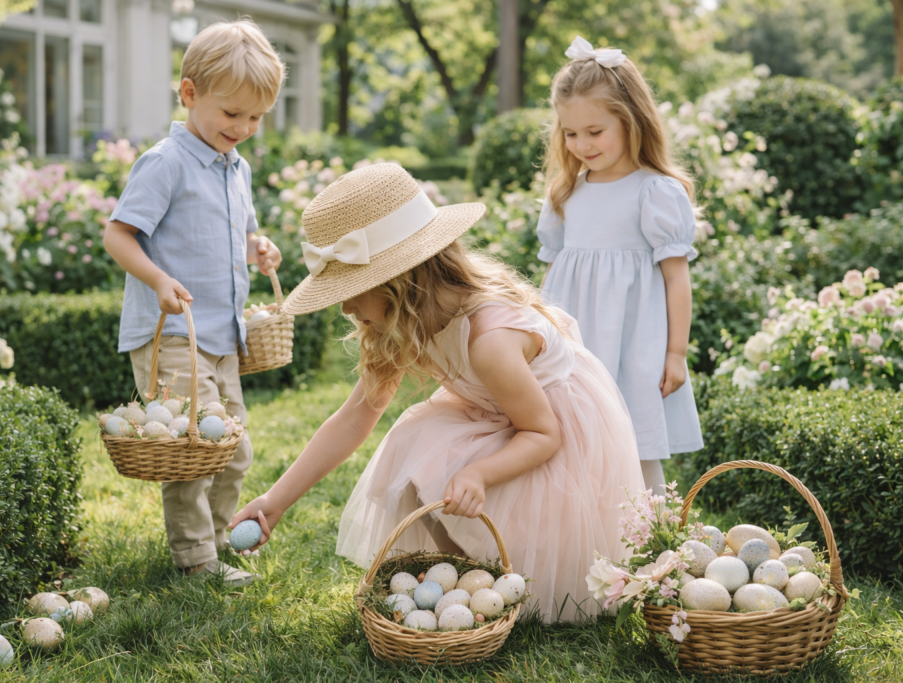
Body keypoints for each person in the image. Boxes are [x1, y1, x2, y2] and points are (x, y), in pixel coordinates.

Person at [229, 163, 644, 622]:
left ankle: (493, 576)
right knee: (415, 445)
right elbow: (354, 418)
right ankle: (465, 581)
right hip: (494, 410)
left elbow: (544, 434)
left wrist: (481, 474)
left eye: (352, 290)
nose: (345, 306)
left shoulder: (490, 341)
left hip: (550, 427)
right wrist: (276, 500)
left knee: (493, 493)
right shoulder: (404, 322)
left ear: (400, 283)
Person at [103, 19, 284, 584]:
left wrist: (259, 248)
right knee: (192, 452)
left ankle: (219, 536)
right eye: (232, 114)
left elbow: (241, 230)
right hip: (175, 333)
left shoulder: (239, 168)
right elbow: (118, 234)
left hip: (221, 337)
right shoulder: (166, 162)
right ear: (190, 94)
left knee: (234, 450)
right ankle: (196, 560)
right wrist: (158, 279)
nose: (244, 127)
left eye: (256, 117)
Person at [535, 36, 704, 494]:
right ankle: (576, 529)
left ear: (631, 121)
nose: (582, 145)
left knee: (633, 440)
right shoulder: (565, 193)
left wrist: (675, 352)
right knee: (568, 435)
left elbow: (675, 278)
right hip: (576, 336)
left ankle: (653, 537)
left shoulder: (654, 192)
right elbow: (551, 276)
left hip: (631, 342)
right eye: (570, 134)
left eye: (595, 132)